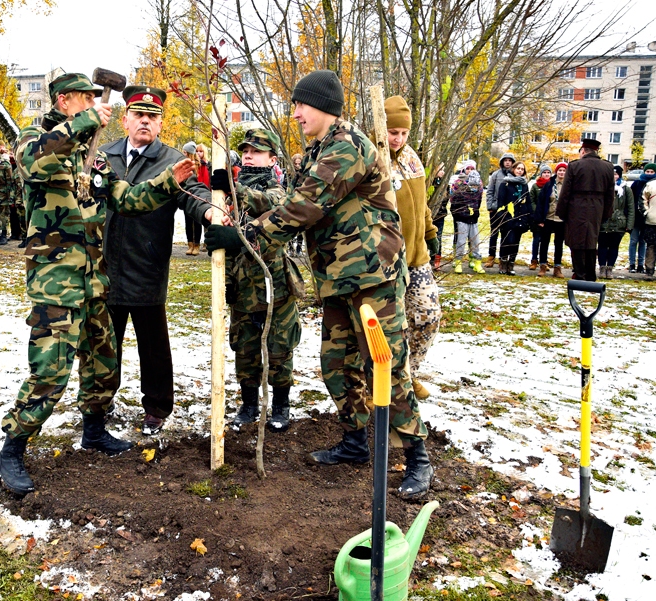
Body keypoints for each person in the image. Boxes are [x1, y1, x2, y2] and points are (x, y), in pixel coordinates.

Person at [205, 70, 432, 500]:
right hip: (337, 279)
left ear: (323, 105)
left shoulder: (346, 146)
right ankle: (353, 442)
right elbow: (288, 199)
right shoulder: (318, 151)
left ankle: (417, 456)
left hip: (372, 278)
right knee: (336, 363)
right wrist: (234, 191)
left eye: (299, 106)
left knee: (386, 367)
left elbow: (305, 206)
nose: (294, 115)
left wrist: (244, 236)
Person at [0, 73, 194, 496]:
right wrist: (85, 124)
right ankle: (12, 449)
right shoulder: (39, 137)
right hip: (56, 279)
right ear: (65, 101)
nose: (94, 105)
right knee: (50, 370)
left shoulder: (92, 157)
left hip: (94, 278)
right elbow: (30, 161)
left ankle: (95, 429)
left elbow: (127, 198)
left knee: (102, 361)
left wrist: (166, 181)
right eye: (87, 98)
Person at [100, 85, 213, 435]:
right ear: (125, 120)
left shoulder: (172, 160)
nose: (145, 121)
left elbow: (193, 193)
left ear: (161, 124)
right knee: (103, 344)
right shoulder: (104, 156)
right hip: (103, 267)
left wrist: (210, 210)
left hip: (146, 264)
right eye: (138, 115)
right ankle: (100, 400)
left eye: (152, 117)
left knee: (153, 347)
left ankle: (157, 407)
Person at [213, 128, 301, 432]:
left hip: (274, 281)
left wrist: (235, 191)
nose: (249, 155)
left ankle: (281, 405)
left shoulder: (278, 189)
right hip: (242, 282)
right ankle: (249, 403)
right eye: (246, 150)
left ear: (272, 158)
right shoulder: (230, 191)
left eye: (257, 151)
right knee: (245, 346)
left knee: (278, 346)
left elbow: (270, 205)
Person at [384, 96, 441, 401]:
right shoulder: (373, 159)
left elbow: (421, 205)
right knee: (389, 328)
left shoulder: (412, 159)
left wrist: (430, 231)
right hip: (386, 261)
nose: (399, 138)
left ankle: (408, 374)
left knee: (427, 317)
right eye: (394, 132)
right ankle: (385, 385)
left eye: (404, 133)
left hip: (416, 256)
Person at [556, 139, 615, 282]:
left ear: (583, 151)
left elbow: (565, 192)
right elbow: (610, 193)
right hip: (597, 208)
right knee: (591, 241)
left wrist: (562, 212)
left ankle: (580, 273)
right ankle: (590, 274)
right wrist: (606, 213)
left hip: (577, 207)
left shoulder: (575, 166)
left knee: (576, 241)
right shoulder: (608, 167)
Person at [597, 166, 634, 279]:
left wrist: (629, 225)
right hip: (603, 222)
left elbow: (631, 207)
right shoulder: (603, 188)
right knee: (602, 246)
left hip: (619, 223)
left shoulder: (626, 189)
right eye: (612, 174)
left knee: (614, 247)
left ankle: (610, 268)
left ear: (619, 175)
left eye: (616, 174)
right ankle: (602, 268)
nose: (614, 176)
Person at [494, 161, 531, 275]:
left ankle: (511, 263)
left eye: (522, 169)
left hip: (520, 217)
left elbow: (528, 202)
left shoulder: (524, 185)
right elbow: (501, 202)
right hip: (508, 217)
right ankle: (503, 262)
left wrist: (528, 217)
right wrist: (502, 217)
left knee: (515, 242)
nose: (520, 171)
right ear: (513, 169)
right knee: (507, 240)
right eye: (518, 168)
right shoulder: (505, 184)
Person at [449, 161, 485, 274]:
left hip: (473, 219)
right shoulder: (459, 187)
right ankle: (458, 261)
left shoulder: (479, 189)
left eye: (476, 186)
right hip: (461, 218)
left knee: (475, 241)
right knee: (461, 241)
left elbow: (478, 203)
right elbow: (453, 202)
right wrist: (458, 215)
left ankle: (476, 261)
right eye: (472, 185)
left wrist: (475, 214)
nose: (474, 188)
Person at [534, 161, 567, 278]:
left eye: (564, 170)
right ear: (556, 172)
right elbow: (541, 202)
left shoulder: (569, 185)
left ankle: (557, 268)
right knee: (544, 242)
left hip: (561, 219)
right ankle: (542, 266)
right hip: (548, 218)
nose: (562, 172)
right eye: (560, 170)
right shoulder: (549, 184)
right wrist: (540, 219)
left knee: (558, 244)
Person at [484, 152, 516, 268]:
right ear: (502, 162)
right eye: (505, 160)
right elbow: (490, 191)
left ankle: (502, 258)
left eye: (510, 160)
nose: (507, 162)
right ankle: (491, 257)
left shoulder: (514, 175)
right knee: (494, 234)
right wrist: (490, 207)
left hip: (509, 210)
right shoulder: (496, 175)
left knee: (505, 234)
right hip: (495, 209)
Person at [628, 164, 655, 272]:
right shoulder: (636, 184)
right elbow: (631, 200)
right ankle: (632, 264)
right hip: (636, 217)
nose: (649, 173)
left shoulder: (653, 185)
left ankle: (641, 264)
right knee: (633, 241)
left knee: (643, 242)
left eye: (651, 172)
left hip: (648, 219)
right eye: (647, 171)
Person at [527, 164, 552, 271]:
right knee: (536, 239)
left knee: (545, 240)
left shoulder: (553, 185)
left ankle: (544, 261)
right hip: (536, 217)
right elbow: (531, 200)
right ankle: (534, 260)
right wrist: (538, 212)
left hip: (549, 217)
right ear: (541, 174)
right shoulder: (535, 186)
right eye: (544, 172)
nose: (546, 174)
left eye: (548, 172)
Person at [641, 171, 656, 278]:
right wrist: (647, 212)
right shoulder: (651, 184)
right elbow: (643, 200)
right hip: (652, 221)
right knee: (651, 246)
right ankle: (649, 270)